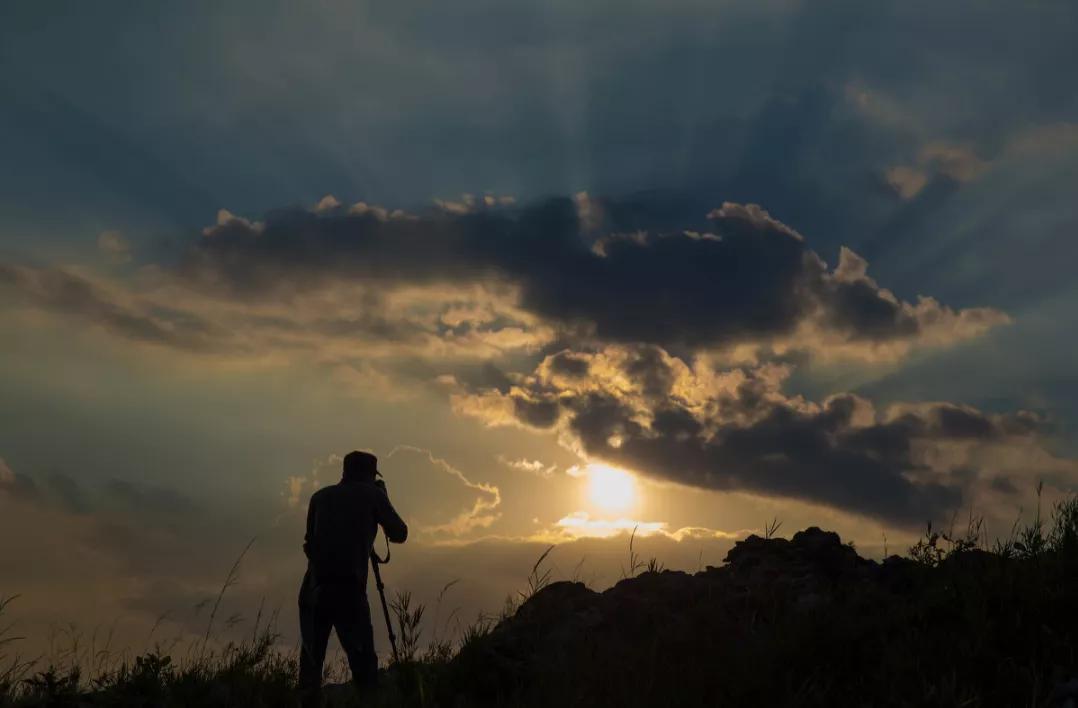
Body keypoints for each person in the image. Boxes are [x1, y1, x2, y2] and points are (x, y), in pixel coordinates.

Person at [298, 450, 408, 706]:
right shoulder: (372, 495)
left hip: (313, 589)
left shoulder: (319, 497)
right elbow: (399, 533)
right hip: (348, 592)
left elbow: (309, 543)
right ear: (371, 475)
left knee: (310, 672)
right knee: (365, 670)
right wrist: (383, 498)